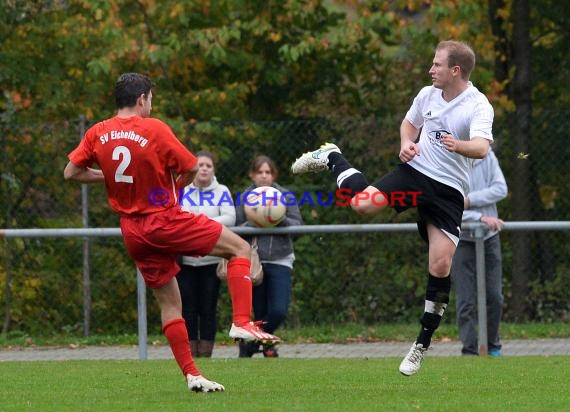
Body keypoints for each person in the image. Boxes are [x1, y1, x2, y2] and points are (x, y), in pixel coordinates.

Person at [63, 73, 280, 393]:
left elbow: (71, 172)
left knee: (170, 303)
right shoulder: (154, 128)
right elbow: (191, 168)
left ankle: (193, 375)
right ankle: (242, 321)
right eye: (150, 99)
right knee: (239, 250)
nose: (151, 104)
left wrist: (107, 176)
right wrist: (172, 191)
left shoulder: (97, 132)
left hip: (132, 231)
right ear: (141, 100)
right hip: (163, 219)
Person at [291, 40, 494, 376]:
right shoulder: (427, 94)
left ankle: (420, 346)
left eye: (437, 65)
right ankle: (331, 155)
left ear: (455, 70)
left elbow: (482, 148)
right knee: (361, 205)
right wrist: (405, 144)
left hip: (447, 192)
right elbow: (409, 125)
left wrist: (459, 145)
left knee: (441, 265)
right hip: (416, 175)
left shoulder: (478, 105)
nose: (431, 70)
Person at [236, 155, 303, 358]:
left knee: (278, 311)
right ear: (252, 175)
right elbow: (234, 230)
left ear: (273, 175)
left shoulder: (285, 196)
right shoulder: (243, 198)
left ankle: (250, 346)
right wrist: (254, 222)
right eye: (260, 172)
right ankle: (267, 347)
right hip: (254, 262)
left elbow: (298, 227)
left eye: (268, 172)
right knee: (259, 310)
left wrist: (277, 219)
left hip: (280, 259)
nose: (264, 176)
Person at [176, 151, 236, 358]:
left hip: (211, 259)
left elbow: (230, 217)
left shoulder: (222, 191)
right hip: (185, 260)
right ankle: (190, 351)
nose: (203, 169)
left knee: (208, 308)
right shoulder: (181, 189)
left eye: (208, 166)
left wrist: (201, 224)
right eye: (200, 165)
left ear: (213, 170)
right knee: (188, 308)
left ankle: (207, 352)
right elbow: (175, 216)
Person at [452, 148, 507, 357]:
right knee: (465, 300)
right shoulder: (450, 162)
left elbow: (500, 189)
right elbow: (451, 205)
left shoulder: (488, 156)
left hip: (489, 237)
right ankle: (470, 350)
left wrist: (470, 200)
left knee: (494, 296)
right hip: (461, 237)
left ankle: (493, 346)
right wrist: (480, 217)